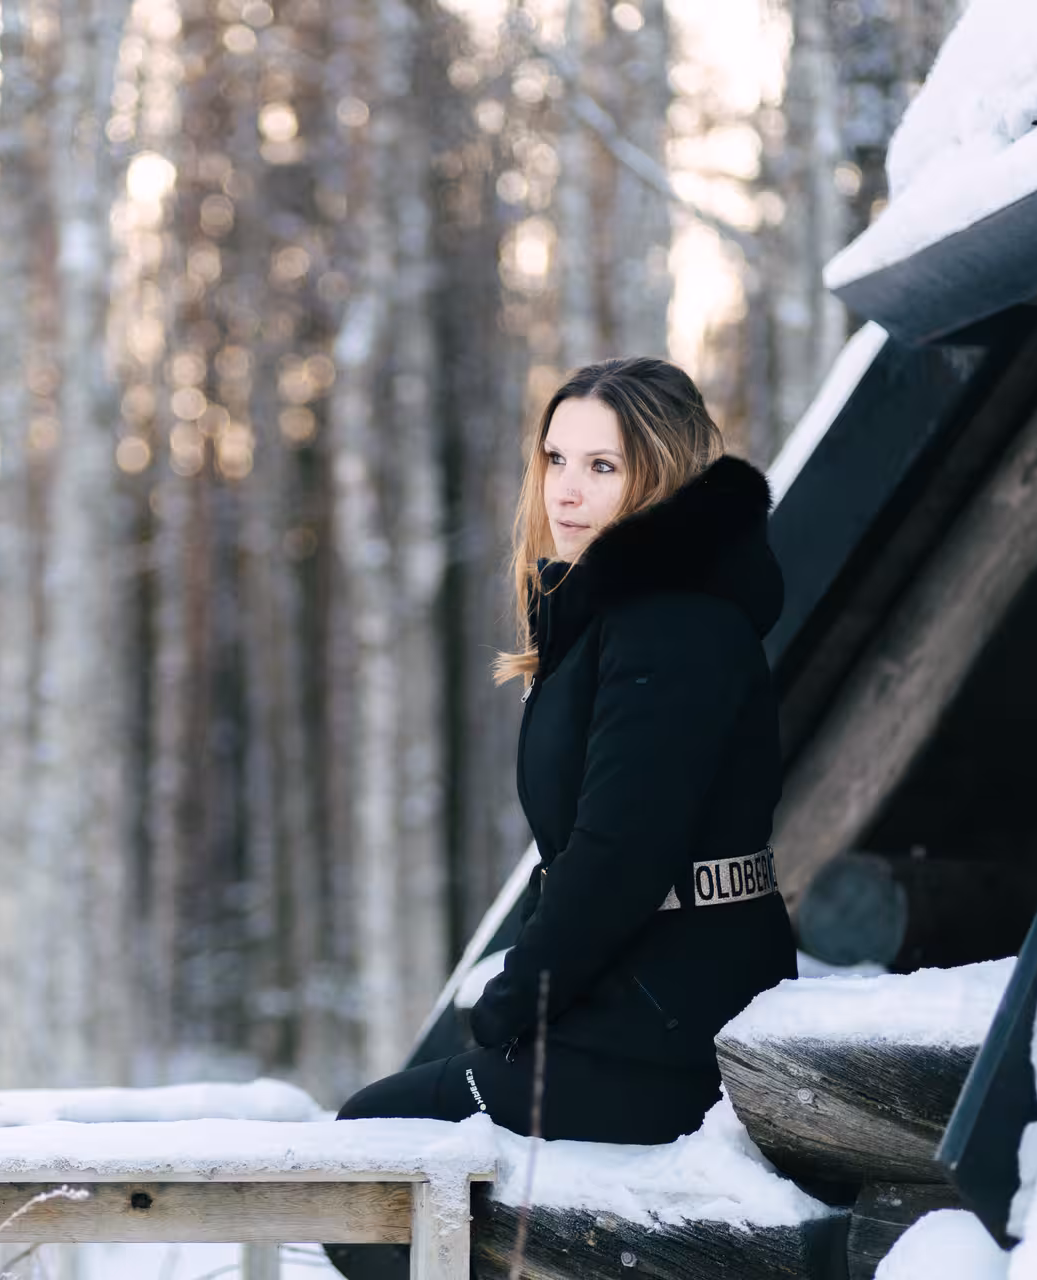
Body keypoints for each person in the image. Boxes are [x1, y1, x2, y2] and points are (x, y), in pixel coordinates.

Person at [325, 357, 797, 1279]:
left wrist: (514, 1000)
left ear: (660, 476)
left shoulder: (672, 623)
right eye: (556, 460)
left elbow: (620, 854)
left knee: (374, 1144)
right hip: (638, 998)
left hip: (670, 1022)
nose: (568, 491)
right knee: (378, 1148)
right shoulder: (623, 617)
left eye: (604, 467)